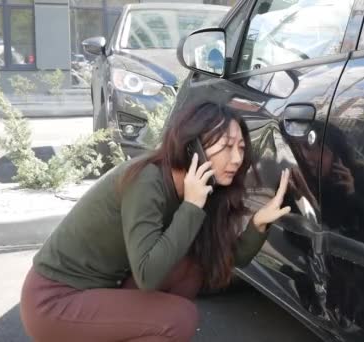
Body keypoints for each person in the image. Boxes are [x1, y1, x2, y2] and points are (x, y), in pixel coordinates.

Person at [19, 102, 291, 342]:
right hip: (55, 302)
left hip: (101, 293)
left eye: (242, 148)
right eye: (226, 147)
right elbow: (148, 276)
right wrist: (191, 207)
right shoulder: (147, 181)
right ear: (193, 146)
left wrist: (259, 223)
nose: (237, 159)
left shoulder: (200, 187)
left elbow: (233, 258)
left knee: (191, 266)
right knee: (178, 318)